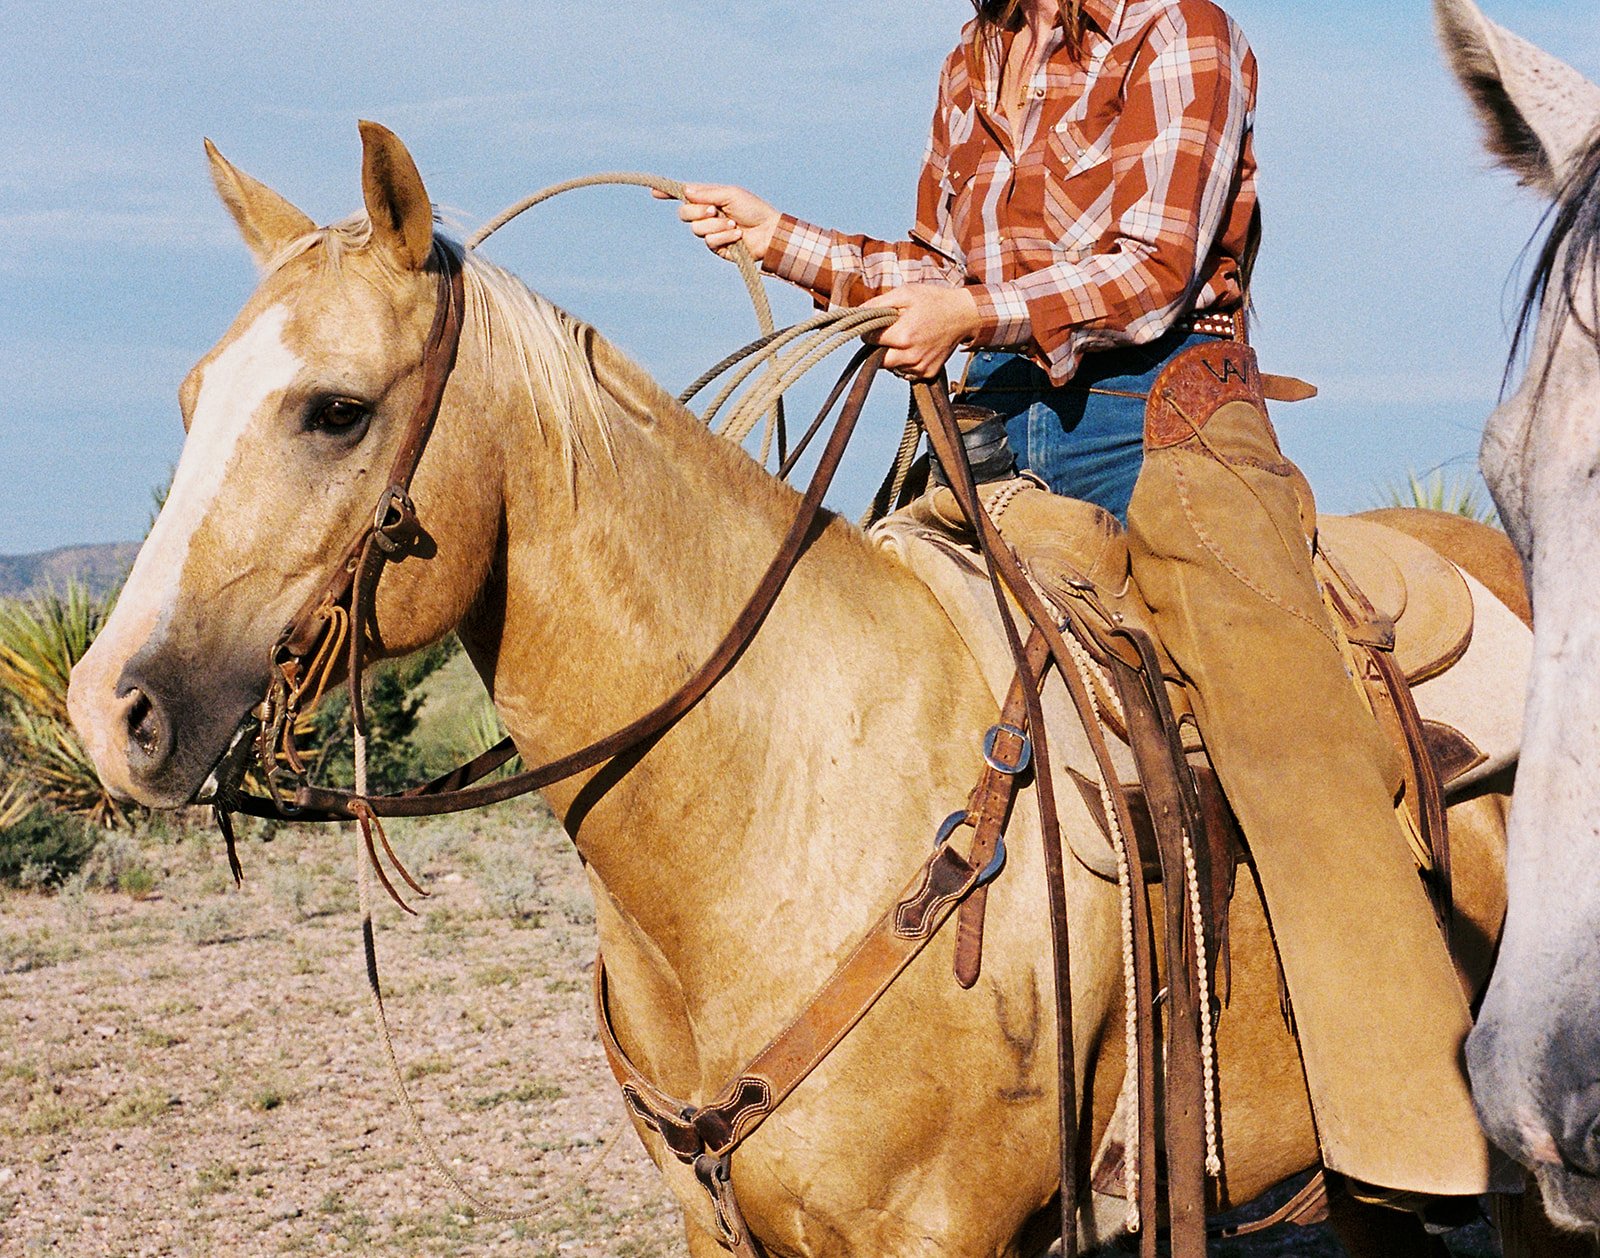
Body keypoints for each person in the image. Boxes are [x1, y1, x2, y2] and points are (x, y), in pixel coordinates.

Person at [665, 0, 1498, 1205]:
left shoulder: (1180, 32)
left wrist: (971, 313)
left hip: (1163, 413)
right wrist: (779, 238)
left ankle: (1402, 1110)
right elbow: (937, 273)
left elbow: (1153, 272)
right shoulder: (975, 53)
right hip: (997, 424)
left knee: (1282, 717)